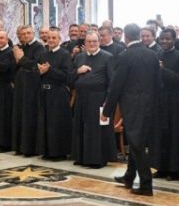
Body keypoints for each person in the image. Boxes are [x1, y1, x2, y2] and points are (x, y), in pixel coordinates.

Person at [102, 23, 160, 196]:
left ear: (126, 36)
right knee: (137, 142)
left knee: (136, 144)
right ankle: (129, 177)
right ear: (139, 35)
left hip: (132, 105)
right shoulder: (152, 55)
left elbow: (116, 85)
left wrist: (107, 110)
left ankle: (146, 184)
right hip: (150, 104)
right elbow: (158, 83)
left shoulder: (124, 56)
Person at [72, 31, 117, 168]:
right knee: (81, 127)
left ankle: (97, 160)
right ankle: (81, 157)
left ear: (99, 42)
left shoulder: (108, 57)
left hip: (99, 98)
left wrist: (108, 101)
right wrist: (77, 71)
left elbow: (112, 82)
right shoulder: (79, 57)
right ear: (85, 43)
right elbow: (70, 78)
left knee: (97, 130)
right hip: (81, 97)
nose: (92, 44)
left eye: (94, 41)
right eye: (89, 41)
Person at [150, 28, 179, 181]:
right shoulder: (156, 55)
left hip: (174, 101)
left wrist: (163, 70)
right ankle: (161, 167)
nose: (164, 41)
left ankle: (174, 170)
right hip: (159, 100)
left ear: (174, 39)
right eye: (162, 39)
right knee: (160, 135)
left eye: (168, 39)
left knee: (174, 135)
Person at [37, 28, 73, 160]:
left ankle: (58, 152)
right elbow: (38, 72)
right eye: (49, 38)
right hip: (44, 92)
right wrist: (39, 72)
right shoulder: (43, 54)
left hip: (58, 93)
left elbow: (66, 76)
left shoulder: (64, 54)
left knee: (56, 123)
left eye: (54, 38)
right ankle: (47, 151)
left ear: (59, 39)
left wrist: (49, 69)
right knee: (45, 122)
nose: (51, 40)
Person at [12, 25, 44, 156]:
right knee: (20, 114)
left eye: (28, 33)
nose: (25, 36)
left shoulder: (39, 47)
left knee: (29, 115)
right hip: (21, 85)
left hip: (32, 86)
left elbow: (36, 66)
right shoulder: (22, 47)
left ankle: (30, 148)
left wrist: (21, 58)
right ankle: (20, 146)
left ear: (33, 33)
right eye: (23, 34)